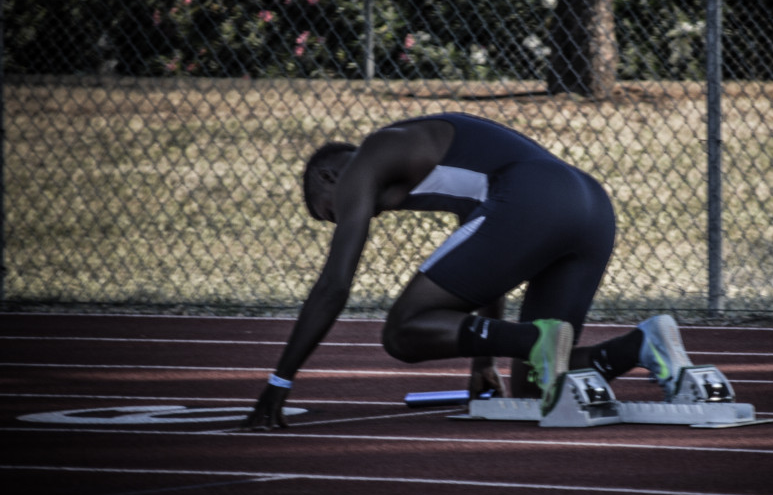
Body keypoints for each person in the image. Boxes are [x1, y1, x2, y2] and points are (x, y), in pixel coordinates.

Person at [245, 112, 693, 430]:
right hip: (590, 207)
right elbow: (484, 267)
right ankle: (642, 345)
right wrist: (483, 360)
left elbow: (334, 285)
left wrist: (280, 379)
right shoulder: (439, 160)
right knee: (536, 390)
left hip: (536, 197)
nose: (343, 218)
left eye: (331, 213)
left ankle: (534, 340)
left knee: (402, 331)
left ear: (328, 178)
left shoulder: (367, 159)